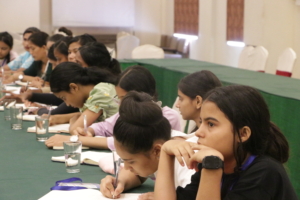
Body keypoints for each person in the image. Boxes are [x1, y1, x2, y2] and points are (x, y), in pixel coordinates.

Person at [154, 85, 298, 200]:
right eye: (201, 122)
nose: (198, 132)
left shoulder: (265, 172)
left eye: (211, 124)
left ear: (243, 134)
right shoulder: (215, 162)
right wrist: (166, 152)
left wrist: (212, 165)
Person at [45, 66, 181, 149]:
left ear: (142, 95)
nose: (120, 105)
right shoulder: (125, 114)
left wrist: (74, 139)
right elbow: (104, 127)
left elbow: (126, 143)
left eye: (123, 99)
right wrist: (90, 131)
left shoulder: (166, 117)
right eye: (118, 99)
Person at [99, 91, 194, 200]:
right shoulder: (160, 141)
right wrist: (120, 182)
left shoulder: (187, 164)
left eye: (131, 161)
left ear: (157, 151)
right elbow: (140, 175)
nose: (126, 167)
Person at [49, 62, 119, 134]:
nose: (67, 104)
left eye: (64, 98)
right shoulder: (96, 91)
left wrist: (73, 122)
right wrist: (57, 118)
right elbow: (86, 115)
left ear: (73, 87)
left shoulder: (99, 94)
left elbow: (75, 130)